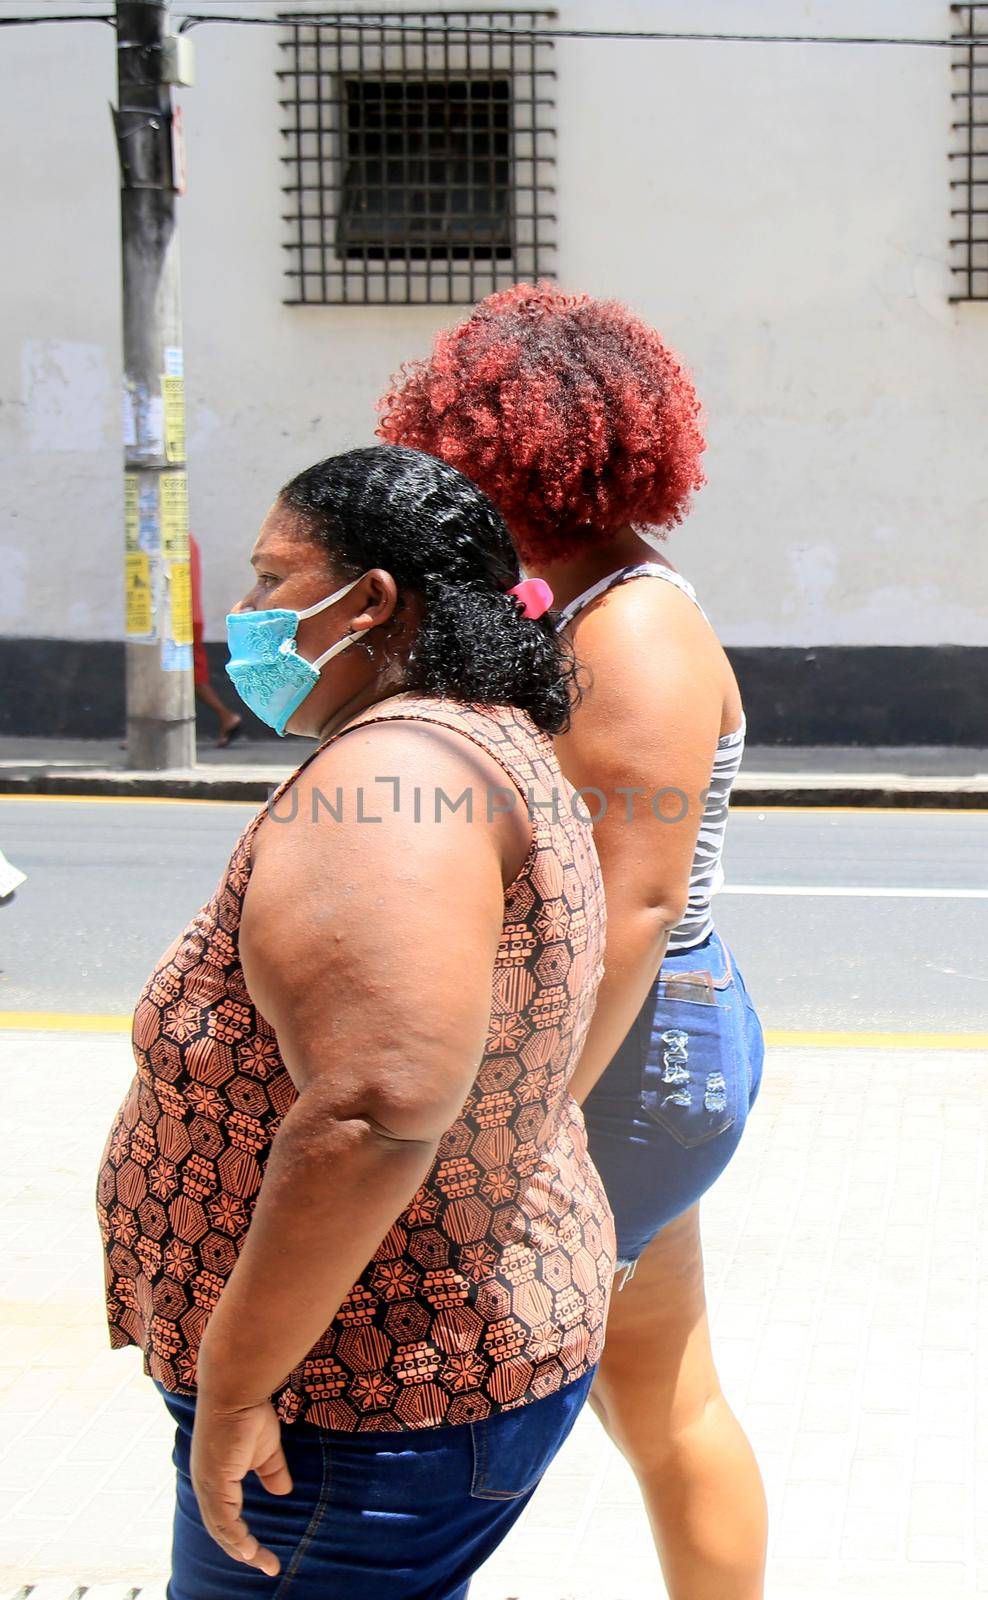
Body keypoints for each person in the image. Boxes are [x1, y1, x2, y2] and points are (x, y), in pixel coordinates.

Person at [97, 444, 614, 1600]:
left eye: (271, 580)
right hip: (411, 1363)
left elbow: (378, 1106)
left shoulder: (386, 782)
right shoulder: (464, 736)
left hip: (348, 1400)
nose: (244, 616)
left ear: (370, 599)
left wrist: (234, 1383)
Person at [379, 285, 768, 1600]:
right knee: (663, 1408)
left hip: (623, 1060)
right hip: (630, 1056)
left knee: (447, 1406)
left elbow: (632, 912)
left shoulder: (639, 631)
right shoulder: (574, 602)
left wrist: (507, 1130)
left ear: (507, 453)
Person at [189, 533, 243, 747]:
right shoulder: (185, 538)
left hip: (178, 620)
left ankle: (227, 716)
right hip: (188, 616)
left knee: (192, 675)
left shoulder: (169, 538)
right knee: (188, 674)